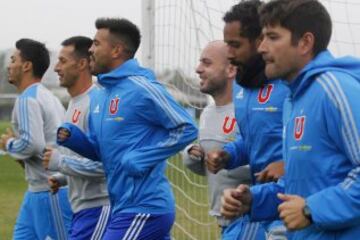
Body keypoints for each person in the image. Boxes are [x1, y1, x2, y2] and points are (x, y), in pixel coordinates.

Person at [221, 0, 360, 239]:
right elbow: (302, 185)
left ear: (305, 42)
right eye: (262, 37)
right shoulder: (293, 100)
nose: (262, 47)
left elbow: (310, 201)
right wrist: (254, 200)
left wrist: (311, 209)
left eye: (273, 37)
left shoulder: (336, 89)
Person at [55, 18, 198, 239]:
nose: (90, 50)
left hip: (144, 207)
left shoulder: (141, 87)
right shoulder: (100, 95)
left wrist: (142, 157)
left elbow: (187, 128)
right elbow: (102, 153)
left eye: (96, 43)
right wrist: (74, 139)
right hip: (121, 205)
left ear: (116, 50)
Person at [206, 0, 289, 238]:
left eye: (235, 45)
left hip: (293, 202)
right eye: (226, 44)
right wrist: (229, 154)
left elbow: (315, 145)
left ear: (259, 41)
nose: (229, 54)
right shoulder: (242, 89)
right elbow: (250, 139)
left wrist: (288, 165)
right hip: (260, 201)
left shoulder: (290, 84)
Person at [182, 40, 256, 239]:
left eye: (207, 63)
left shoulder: (250, 110)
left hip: (250, 219)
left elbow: (265, 162)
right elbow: (209, 170)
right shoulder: (206, 113)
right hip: (224, 222)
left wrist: (228, 159)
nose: (198, 69)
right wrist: (192, 156)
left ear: (231, 69)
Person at [0, 38, 72, 240]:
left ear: (26, 66)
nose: (9, 65)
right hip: (37, 191)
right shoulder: (50, 97)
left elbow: (33, 144)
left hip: (50, 191)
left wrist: (9, 144)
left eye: (13, 59)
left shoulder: (27, 99)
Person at [42, 36, 110, 240]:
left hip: (99, 208)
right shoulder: (73, 104)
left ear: (82, 64)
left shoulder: (97, 103)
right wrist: (63, 177)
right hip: (82, 210)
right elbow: (85, 159)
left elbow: (106, 166)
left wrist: (60, 162)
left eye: (62, 61)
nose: (55, 68)